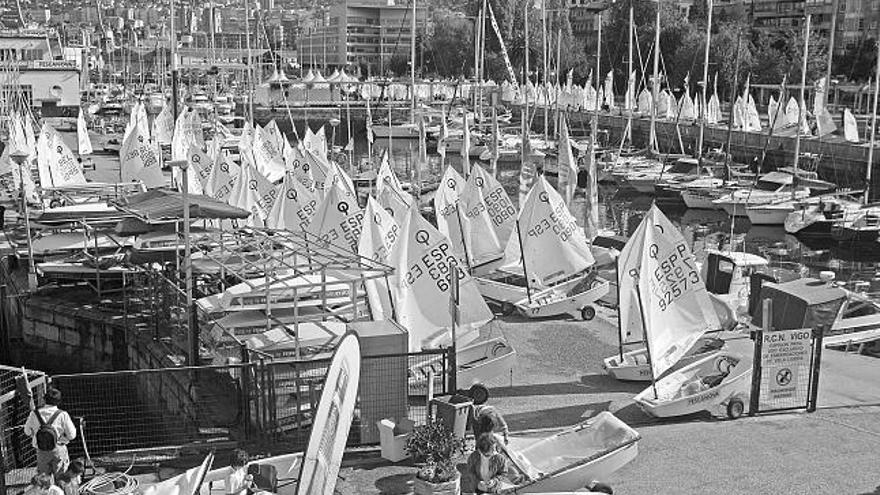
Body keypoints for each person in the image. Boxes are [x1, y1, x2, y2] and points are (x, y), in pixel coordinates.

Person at [23, 388, 77, 479]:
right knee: (61, 478)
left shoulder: (34, 413)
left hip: (41, 450)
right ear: (59, 401)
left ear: (44, 399)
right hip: (58, 449)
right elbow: (72, 435)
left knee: (44, 480)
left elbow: (27, 432)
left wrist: (35, 434)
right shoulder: (63, 415)